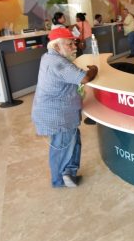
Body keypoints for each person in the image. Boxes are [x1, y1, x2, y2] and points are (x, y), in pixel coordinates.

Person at [31, 28, 98, 188]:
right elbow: (85, 78)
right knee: (63, 146)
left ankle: (69, 173)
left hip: (57, 112)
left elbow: (70, 74)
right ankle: (60, 180)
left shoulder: (48, 57)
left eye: (73, 43)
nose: (74, 47)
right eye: (70, 44)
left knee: (71, 141)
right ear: (56, 46)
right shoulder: (58, 62)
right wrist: (94, 69)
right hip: (58, 115)